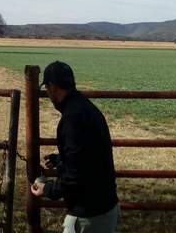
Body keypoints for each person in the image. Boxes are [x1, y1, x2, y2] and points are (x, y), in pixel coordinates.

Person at [30, 61, 120, 233]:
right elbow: (89, 156)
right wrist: (60, 160)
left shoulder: (72, 119)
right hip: (107, 205)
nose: (48, 94)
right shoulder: (87, 108)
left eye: (47, 89)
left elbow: (76, 175)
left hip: (88, 215)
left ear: (53, 87)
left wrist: (48, 189)